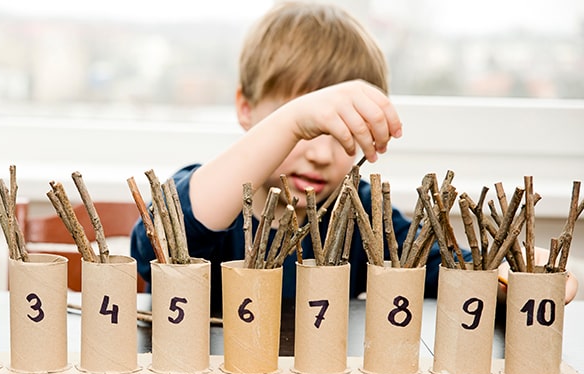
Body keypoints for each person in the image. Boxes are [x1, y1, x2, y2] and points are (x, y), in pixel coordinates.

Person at [130, 1, 578, 313]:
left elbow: (452, 271)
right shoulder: (211, 192)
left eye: (342, 132)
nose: (322, 154)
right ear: (247, 110)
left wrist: (517, 278)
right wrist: (290, 122)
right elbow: (159, 245)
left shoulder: (363, 216)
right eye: (303, 129)